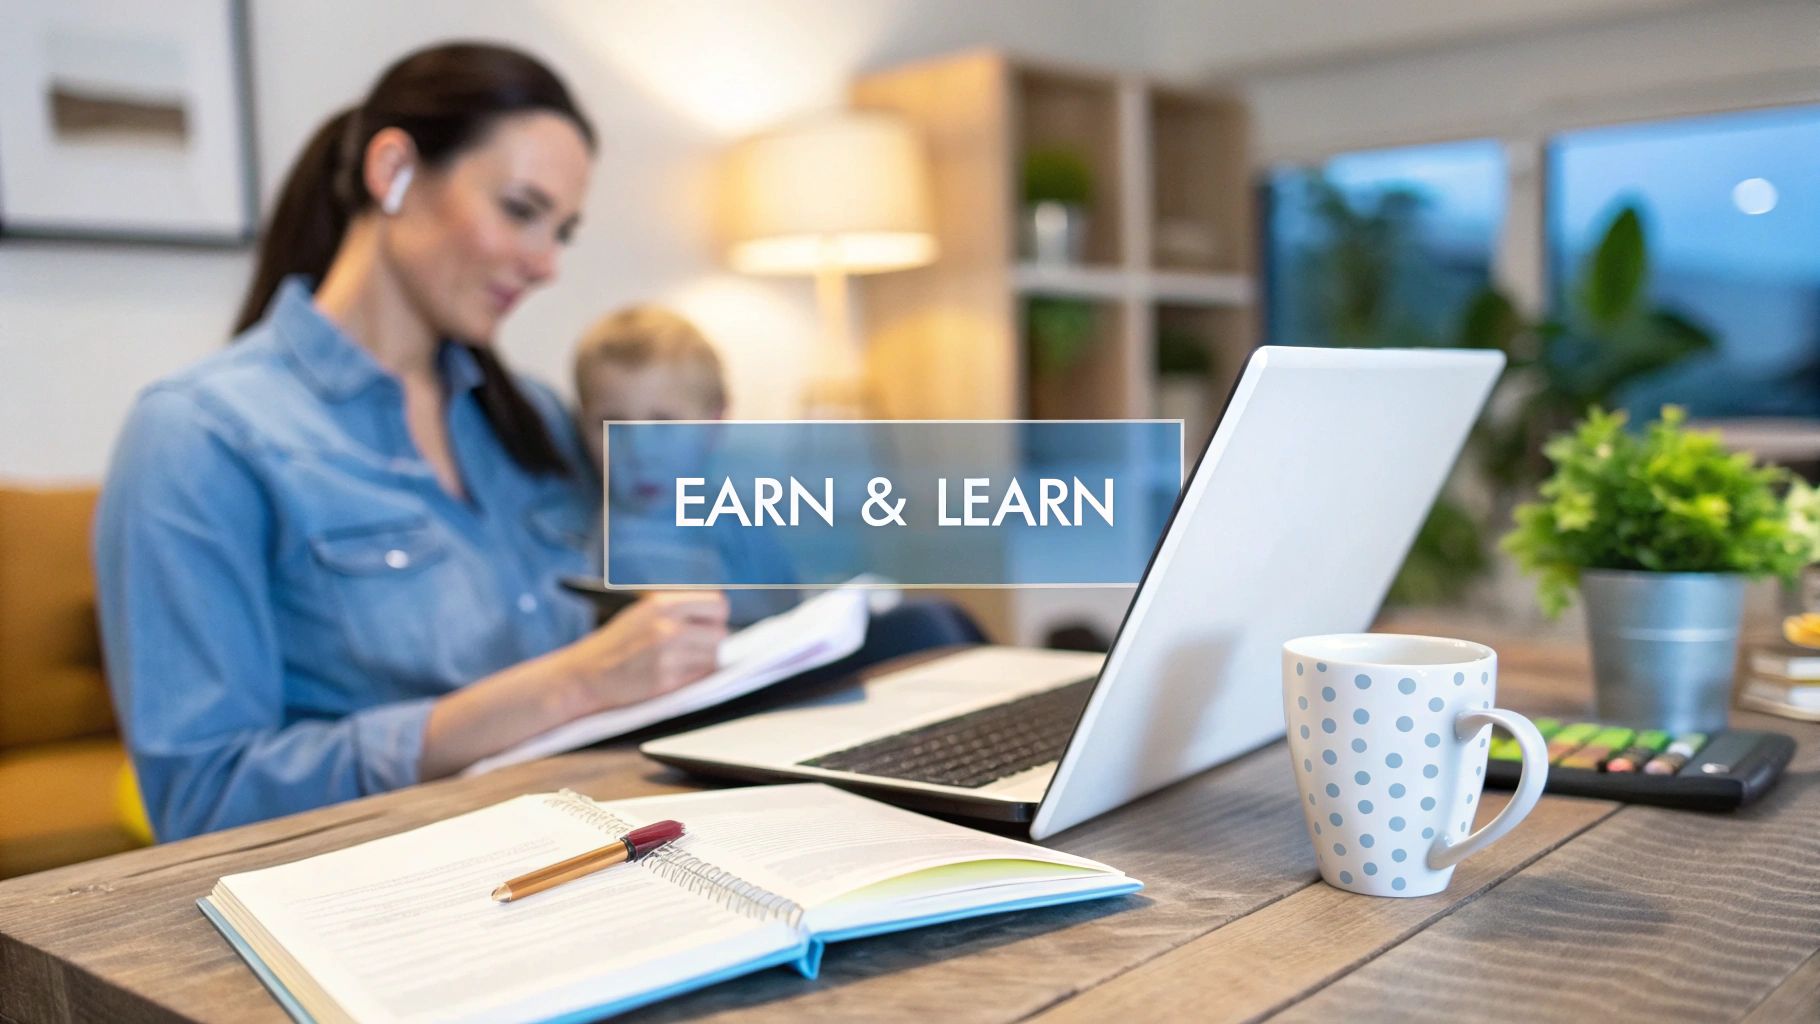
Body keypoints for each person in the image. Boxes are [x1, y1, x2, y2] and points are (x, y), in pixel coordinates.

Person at [94, 43, 728, 842]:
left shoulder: (530, 416)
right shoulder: (201, 436)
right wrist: (568, 687)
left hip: (613, 833)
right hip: (398, 875)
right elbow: (203, 799)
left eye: (562, 231)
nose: (546, 264)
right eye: (521, 210)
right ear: (392, 171)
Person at [572, 306, 799, 625]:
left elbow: (792, 623)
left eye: (664, 423)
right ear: (581, 424)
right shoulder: (574, 532)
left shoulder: (744, 526)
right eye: (612, 424)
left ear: (714, 422)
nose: (639, 452)